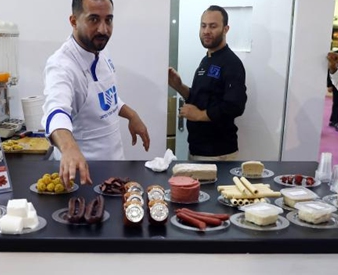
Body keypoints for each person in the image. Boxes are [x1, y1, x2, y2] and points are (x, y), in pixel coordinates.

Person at [42, 0, 151, 188]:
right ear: (74, 21)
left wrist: (131, 115)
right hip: (83, 178)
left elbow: (106, 96)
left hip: (116, 170)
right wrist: (68, 148)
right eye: (94, 19)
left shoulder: (101, 49)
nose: (103, 29)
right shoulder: (62, 65)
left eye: (108, 20)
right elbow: (55, 111)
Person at [168, 5, 247, 161]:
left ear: (226, 29)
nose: (206, 31)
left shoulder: (231, 63)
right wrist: (178, 86)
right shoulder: (206, 60)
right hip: (198, 151)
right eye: (203, 25)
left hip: (219, 154)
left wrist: (199, 115)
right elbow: (201, 98)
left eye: (213, 26)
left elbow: (235, 106)